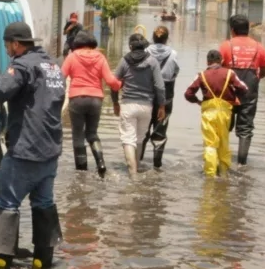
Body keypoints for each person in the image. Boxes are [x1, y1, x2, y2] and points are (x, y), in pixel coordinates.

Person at [0, 21, 66, 269]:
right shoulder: (53, 66)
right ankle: (43, 260)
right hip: (50, 151)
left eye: (8, 45)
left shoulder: (22, 65)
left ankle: (0, 259)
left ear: (16, 44)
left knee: (7, 202)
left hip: (25, 150)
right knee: (43, 203)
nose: (7, 49)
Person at [60, 29, 121, 177]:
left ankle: (81, 172)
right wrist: (119, 85)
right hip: (96, 100)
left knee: (78, 135)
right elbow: (110, 80)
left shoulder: (72, 57)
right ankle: (101, 164)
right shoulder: (100, 57)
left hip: (77, 99)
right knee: (92, 133)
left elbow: (60, 77)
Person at [184, 50, 250, 176]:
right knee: (224, 143)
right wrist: (235, 97)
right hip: (225, 113)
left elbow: (188, 94)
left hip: (208, 113)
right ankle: (224, 174)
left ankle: (210, 175)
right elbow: (244, 88)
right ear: (221, 61)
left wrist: (198, 101)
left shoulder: (201, 75)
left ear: (207, 62)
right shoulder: (230, 73)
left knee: (210, 144)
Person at [219, 14, 265, 166]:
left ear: (232, 30)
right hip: (249, 92)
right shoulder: (258, 47)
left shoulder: (226, 46)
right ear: (248, 30)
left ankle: (222, 160)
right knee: (245, 129)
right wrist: (253, 81)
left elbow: (217, 70)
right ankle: (242, 164)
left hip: (228, 92)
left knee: (224, 126)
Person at [112, 33, 166, 175]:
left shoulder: (124, 61)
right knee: (140, 138)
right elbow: (159, 86)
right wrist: (161, 106)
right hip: (146, 106)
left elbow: (114, 83)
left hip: (128, 105)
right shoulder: (152, 62)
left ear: (130, 46)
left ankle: (133, 172)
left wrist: (115, 103)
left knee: (128, 139)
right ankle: (136, 169)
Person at [142, 26, 181, 169]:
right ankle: (157, 166)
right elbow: (175, 72)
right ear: (166, 39)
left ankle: (138, 162)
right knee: (160, 130)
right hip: (166, 95)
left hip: (147, 93)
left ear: (153, 37)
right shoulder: (173, 54)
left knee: (143, 129)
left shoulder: (145, 52)